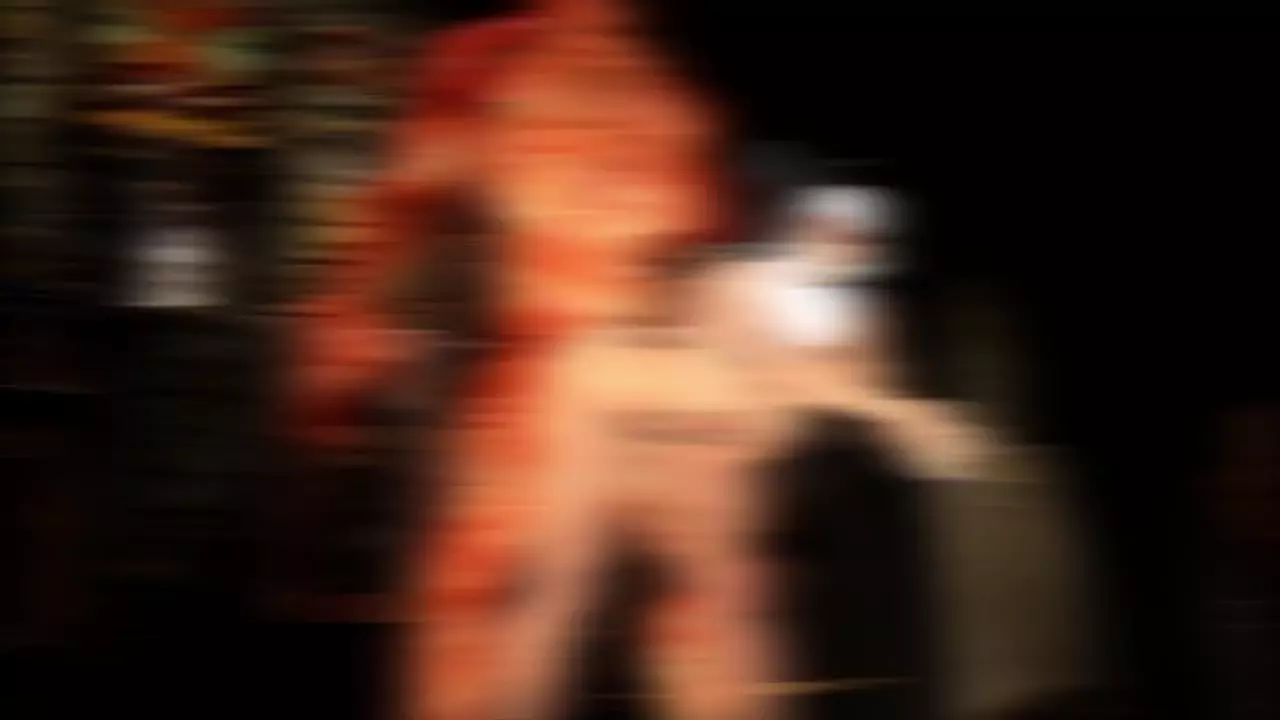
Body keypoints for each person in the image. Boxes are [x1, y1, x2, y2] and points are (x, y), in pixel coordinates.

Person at [282, 1, 730, 719]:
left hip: (561, 387)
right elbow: (696, 231)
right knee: (682, 610)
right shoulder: (661, 83)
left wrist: (339, 348)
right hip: (645, 385)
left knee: (485, 605)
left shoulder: (499, 60)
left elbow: (406, 207)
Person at [497, 244, 792, 720]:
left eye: (675, 284)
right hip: (599, 507)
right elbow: (570, 469)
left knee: (731, 608)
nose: (663, 293)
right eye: (655, 282)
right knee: (556, 599)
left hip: (690, 515)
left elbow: (758, 437)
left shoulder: (713, 364)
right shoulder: (595, 356)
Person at [707, 185, 995, 482]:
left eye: (864, 241)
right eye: (836, 235)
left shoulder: (873, 313)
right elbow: (750, 367)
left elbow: (872, 381)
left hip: (823, 440)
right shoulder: (743, 282)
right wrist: (892, 413)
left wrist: (894, 415)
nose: (850, 249)